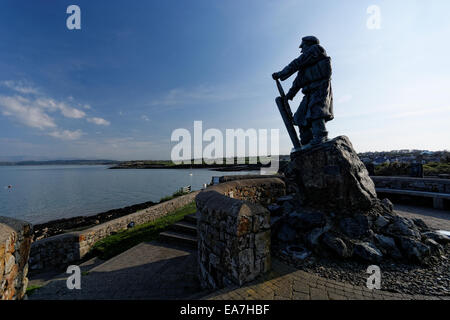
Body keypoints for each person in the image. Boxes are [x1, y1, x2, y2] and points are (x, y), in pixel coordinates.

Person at [273, 36, 333, 149]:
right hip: (309, 93)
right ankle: (306, 140)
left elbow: (297, 62)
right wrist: (289, 95)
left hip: (320, 89)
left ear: (310, 44)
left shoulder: (316, 50)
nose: (301, 50)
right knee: (300, 117)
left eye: (303, 46)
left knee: (316, 112)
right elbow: (298, 81)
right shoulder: (306, 65)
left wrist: (281, 73)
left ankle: (321, 135)